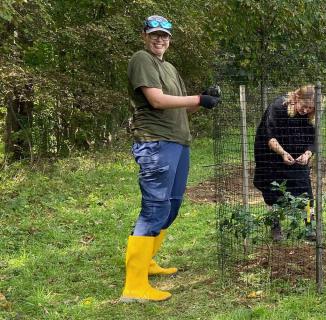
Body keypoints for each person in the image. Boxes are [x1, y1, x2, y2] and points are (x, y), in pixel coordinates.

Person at [120, 15, 220, 303]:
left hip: (178, 143)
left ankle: (147, 262)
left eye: (164, 36)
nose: (159, 39)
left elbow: (181, 108)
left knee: (171, 207)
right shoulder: (142, 59)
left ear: (170, 39)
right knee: (154, 208)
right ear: (144, 36)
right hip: (156, 143)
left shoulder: (170, 67)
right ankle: (134, 286)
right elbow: (157, 101)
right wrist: (197, 98)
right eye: (154, 34)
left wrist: (204, 101)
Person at [253, 85, 316, 241]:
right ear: (296, 98)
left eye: (310, 108)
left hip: (297, 157)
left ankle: (310, 228)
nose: (306, 110)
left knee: (306, 192)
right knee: (273, 191)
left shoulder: (308, 116)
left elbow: (314, 140)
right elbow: (269, 136)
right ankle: (275, 228)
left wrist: (307, 154)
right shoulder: (277, 108)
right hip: (272, 157)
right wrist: (282, 153)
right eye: (304, 106)